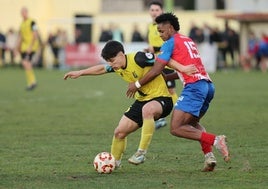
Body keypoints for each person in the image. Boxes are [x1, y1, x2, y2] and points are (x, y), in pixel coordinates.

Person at [126, 13, 230, 172]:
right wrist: (169, 76)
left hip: (194, 87)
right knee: (192, 124)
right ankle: (209, 157)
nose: (160, 35)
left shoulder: (170, 42)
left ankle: (216, 140)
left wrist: (137, 84)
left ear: (170, 28)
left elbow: (156, 69)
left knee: (176, 128)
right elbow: (191, 67)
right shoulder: (188, 40)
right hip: (207, 86)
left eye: (161, 31)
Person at [63, 40, 175, 168]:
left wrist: (184, 69)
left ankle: (141, 153)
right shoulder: (117, 66)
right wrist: (80, 72)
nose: (111, 64)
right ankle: (114, 162)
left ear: (121, 54)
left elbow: (163, 61)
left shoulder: (138, 58)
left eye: (112, 60)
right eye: (109, 61)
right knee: (119, 132)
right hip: (142, 100)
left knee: (147, 110)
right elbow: (101, 68)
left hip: (162, 98)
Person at [146, 1, 179, 129]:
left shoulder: (165, 26)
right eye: (152, 10)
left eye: (157, 10)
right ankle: (160, 117)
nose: (154, 12)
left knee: (170, 90)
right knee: (158, 90)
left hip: (167, 62)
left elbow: (169, 43)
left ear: (162, 11)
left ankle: (182, 114)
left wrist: (152, 48)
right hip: (157, 62)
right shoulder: (150, 26)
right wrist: (148, 49)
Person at [16, 7, 39, 90]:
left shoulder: (32, 22)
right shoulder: (22, 24)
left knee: (26, 63)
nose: (23, 14)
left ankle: (32, 82)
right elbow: (20, 37)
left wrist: (30, 46)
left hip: (31, 47)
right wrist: (17, 48)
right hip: (24, 47)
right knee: (26, 64)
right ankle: (32, 82)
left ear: (27, 12)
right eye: (22, 13)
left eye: (24, 12)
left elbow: (35, 35)